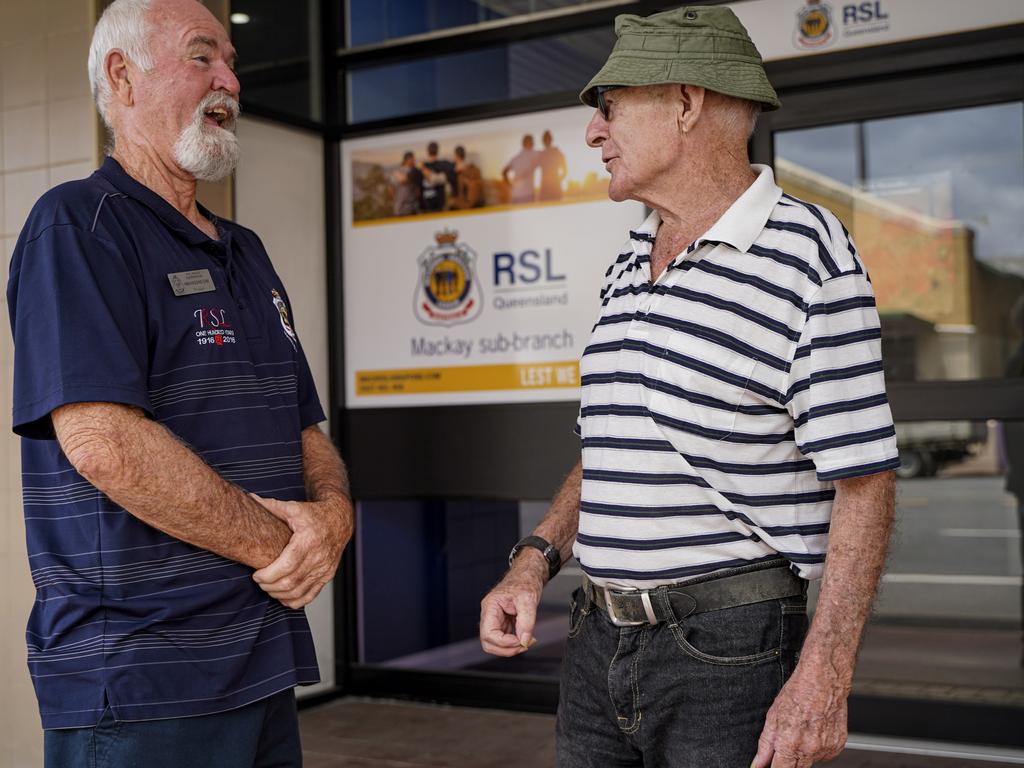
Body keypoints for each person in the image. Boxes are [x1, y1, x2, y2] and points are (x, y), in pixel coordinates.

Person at [479, 7, 899, 768]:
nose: (592, 133)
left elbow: (865, 482)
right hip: (595, 640)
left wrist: (825, 676)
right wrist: (535, 558)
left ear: (684, 102)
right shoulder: (630, 257)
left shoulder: (808, 254)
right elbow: (615, 445)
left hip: (727, 656)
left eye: (608, 108)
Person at [6, 1, 353, 765]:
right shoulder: (77, 226)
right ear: (122, 78)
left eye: (231, 60)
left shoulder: (245, 250)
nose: (229, 77)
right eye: (202, 56)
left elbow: (304, 429)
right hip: (140, 683)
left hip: (259, 665)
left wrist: (332, 521)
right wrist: (280, 545)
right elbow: (104, 444)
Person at [502, 134, 540, 204]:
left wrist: (510, 185)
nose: (533, 143)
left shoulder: (516, 158)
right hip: (528, 194)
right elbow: (544, 156)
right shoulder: (534, 154)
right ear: (528, 142)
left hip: (515, 195)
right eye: (532, 141)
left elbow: (504, 172)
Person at [421, 141, 456, 212]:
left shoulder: (422, 166)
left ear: (428, 151)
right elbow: (457, 167)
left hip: (426, 205)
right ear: (437, 150)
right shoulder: (444, 164)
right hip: (439, 203)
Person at [449, 145, 485, 210]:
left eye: (454, 155)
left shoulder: (455, 172)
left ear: (456, 156)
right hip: (475, 205)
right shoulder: (473, 169)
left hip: (462, 206)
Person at [538, 129, 567, 202]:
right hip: (555, 188)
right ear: (551, 139)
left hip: (545, 189)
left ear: (542, 141)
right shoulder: (557, 152)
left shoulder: (541, 155)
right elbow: (565, 171)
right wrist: (557, 180)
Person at [392, 150, 423, 216]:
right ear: (408, 159)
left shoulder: (397, 171)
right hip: (404, 208)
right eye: (413, 159)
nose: (414, 161)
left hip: (407, 207)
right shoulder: (413, 171)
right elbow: (393, 188)